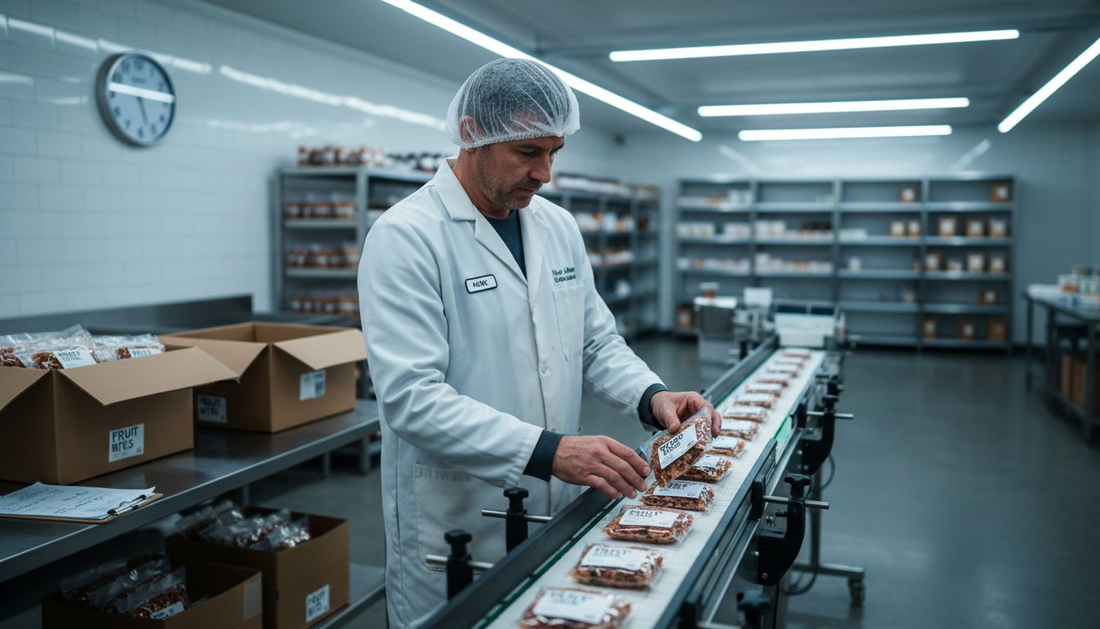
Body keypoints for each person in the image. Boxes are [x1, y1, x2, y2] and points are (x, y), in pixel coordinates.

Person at [358, 58, 720, 627]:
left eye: (554, 153)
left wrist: (652, 396)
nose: (545, 172)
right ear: (473, 133)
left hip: (552, 502)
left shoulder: (556, 226)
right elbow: (410, 398)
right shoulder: (405, 237)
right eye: (529, 153)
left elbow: (596, 340)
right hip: (456, 510)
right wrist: (550, 451)